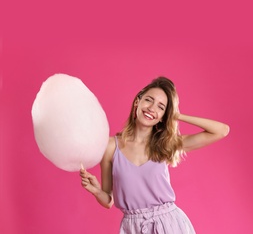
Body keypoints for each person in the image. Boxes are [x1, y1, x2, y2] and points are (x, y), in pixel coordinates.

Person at [80, 76, 230, 233]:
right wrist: (96, 191)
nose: (152, 108)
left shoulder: (165, 144)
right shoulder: (111, 147)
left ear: (164, 116)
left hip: (169, 225)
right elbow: (108, 201)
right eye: (148, 100)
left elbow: (221, 130)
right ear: (137, 102)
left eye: (161, 107)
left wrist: (177, 115)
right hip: (133, 227)